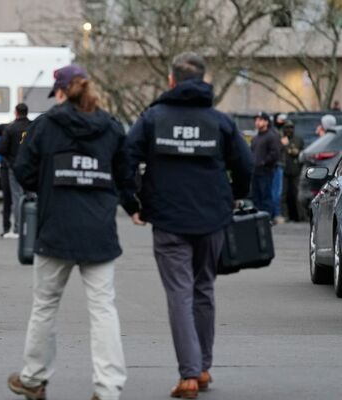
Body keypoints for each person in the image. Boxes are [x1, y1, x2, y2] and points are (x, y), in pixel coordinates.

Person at [124, 52, 253, 398]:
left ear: (171, 81)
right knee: (204, 289)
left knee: (180, 293)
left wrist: (132, 202)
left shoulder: (152, 118)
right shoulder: (220, 122)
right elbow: (245, 163)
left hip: (167, 219)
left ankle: (189, 376)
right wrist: (235, 195)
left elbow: (126, 158)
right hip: (212, 217)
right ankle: (204, 367)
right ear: (203, 80)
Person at [9, 64, 129, 400]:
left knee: (45, 305)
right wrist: (130, 205)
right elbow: (126, 175)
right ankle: (108, 388)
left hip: (55, 229)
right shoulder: (111, 127)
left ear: (61, 92)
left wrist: (47, 189)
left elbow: (23, 171)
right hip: (99, 231)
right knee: (104, 308)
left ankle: (33, 379)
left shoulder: (45, 125)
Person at [0, 103, 31, 239]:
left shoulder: (10, 128)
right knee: (31, 197)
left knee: (16, 197)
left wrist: (10, 159)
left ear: (16, 113)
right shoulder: (33, 127)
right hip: (30, 168)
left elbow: (0, 149)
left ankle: (17, 228)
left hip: (14, 168)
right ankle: (32, 227)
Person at [251, 111, 282, 215]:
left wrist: (264, 162)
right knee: (256, 197)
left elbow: (275, 153)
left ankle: (267, 219)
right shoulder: (255, 138)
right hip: (255, 172)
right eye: (256, 120)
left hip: (265, 172)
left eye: (260, 120)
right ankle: (257, 220)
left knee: (266, 197)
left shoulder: (271, 136)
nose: (257, 122)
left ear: (266, 122)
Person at [281, 120, 305, 221]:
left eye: (291, 127)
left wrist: (287, 146)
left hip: (295, 171)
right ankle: (285, 216)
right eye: (287, 127)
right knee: (283, 194)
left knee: (296, 194)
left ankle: (300, 216)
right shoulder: (280, 139)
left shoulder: (298, 140)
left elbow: (299, 153)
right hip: (283, 171)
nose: (289, 130)